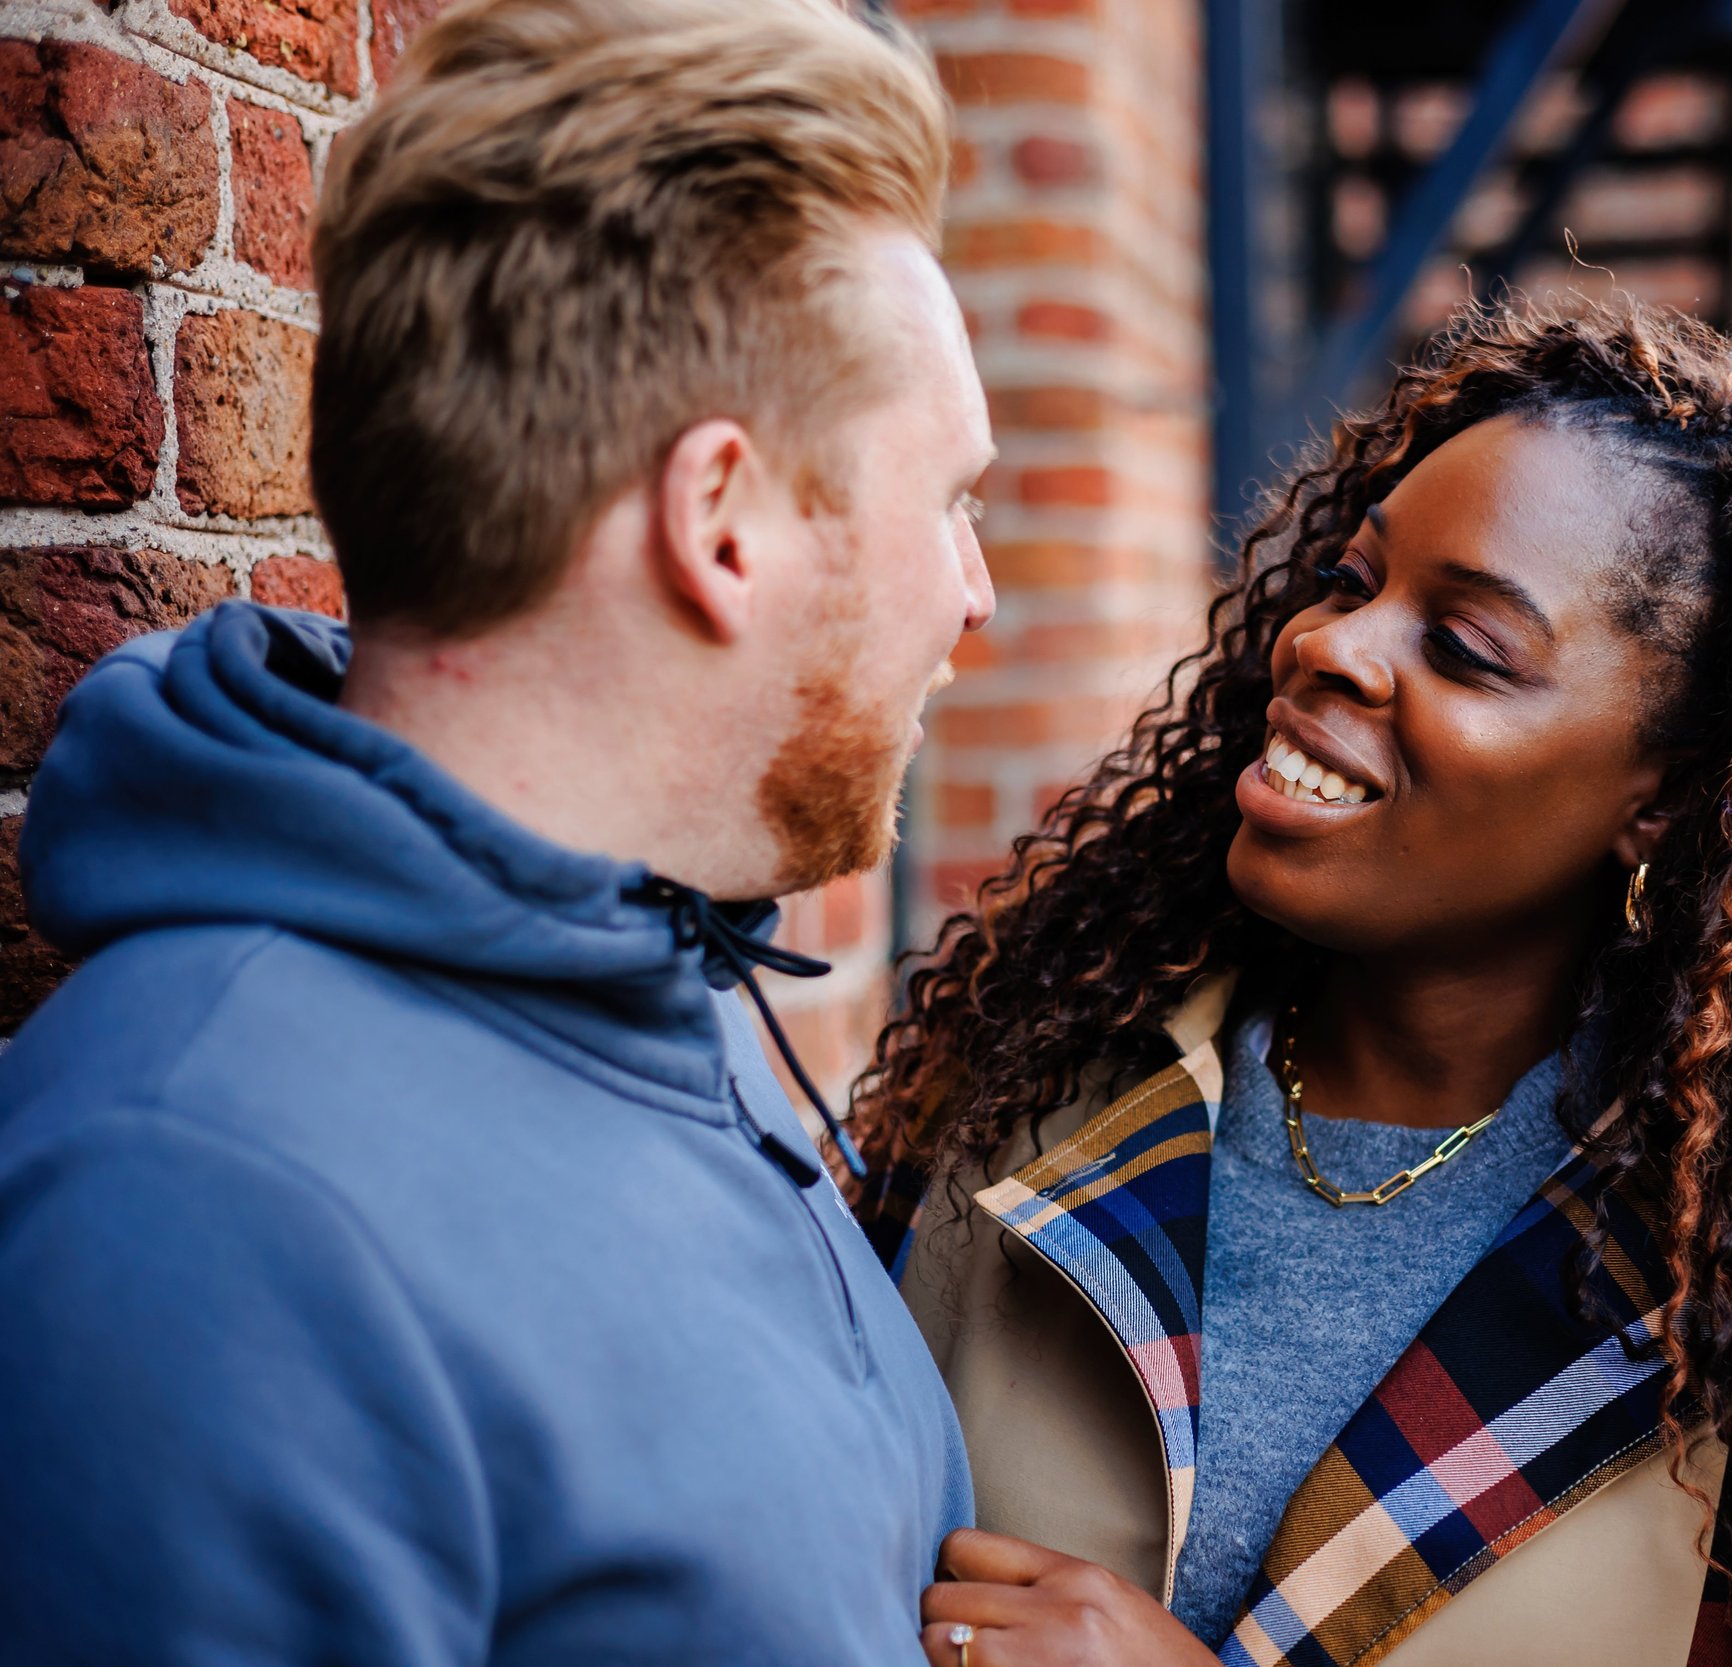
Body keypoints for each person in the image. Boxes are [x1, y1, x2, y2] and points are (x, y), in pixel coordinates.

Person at [857, 299, 1732, 1667]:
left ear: (1659, 802)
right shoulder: (1035, 1120)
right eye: (1353, 579)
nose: (1329, 647)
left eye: (1466, 650)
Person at [0, 0, 995, 1660]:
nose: (973, 598)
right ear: (724, 521)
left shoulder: (656, 997)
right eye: (951, 499)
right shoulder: (188, 1218)